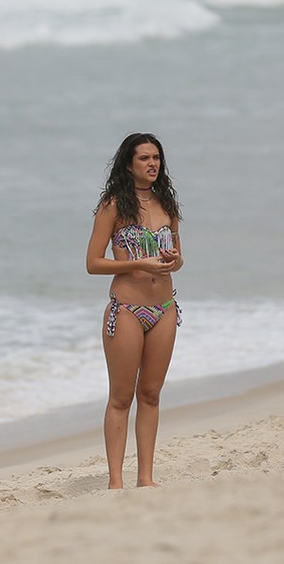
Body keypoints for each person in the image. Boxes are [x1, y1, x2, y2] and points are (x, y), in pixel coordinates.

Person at [86, 133, 183, 489]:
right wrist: (135, 263)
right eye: (144, 158)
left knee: (152, 393)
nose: (152, 164)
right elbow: (92, 263)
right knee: (122, 395)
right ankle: (115, 480)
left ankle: (146, 477)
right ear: (128, 164)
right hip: (126, 309)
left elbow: (179, 258)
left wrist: (175, 260)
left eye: (156, 157)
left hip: (165, 308)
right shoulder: (113, 206)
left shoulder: (167, 205)